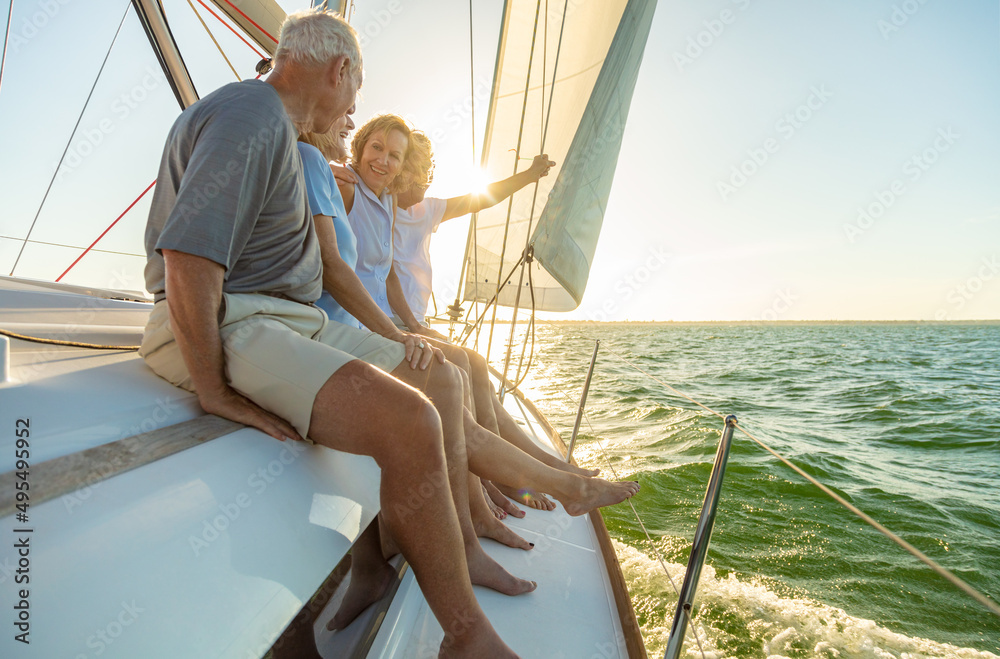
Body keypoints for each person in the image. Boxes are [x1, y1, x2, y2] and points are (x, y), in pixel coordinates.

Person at [138, 10, 521, 657]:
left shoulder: (282, 136)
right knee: (411, 419)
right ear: (340, 72)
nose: (351, 109)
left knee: (440, 376)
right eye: (356, 93)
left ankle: (438, 545)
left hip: (286, 319)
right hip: (231, 318)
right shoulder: (250, 114)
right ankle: (465, 633)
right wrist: (214, 388)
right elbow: (189, 258)